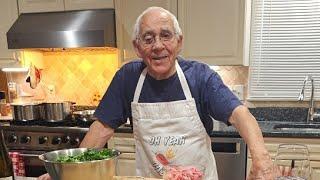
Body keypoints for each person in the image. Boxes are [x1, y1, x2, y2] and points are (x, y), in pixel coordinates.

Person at [39, 6, 276, 180]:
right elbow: (101, 130)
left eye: (166, 35)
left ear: (179, 41)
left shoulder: (200, 77)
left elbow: (239, 115)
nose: (158, 46)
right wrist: (68, 173)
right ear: (137, 47)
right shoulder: (128, 78)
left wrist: (262, 160)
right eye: (148, 38)